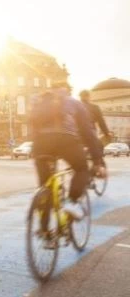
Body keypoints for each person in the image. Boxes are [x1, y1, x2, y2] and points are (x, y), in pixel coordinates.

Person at [29, 80, 104, 220]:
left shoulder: (39, 102)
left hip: (40, 144)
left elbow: (32, 125)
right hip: (66, 140)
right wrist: (97, 161)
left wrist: (36, 146)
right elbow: (88, 133)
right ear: (66, 90)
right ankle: (72, 202)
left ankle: (45, 231)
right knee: (82, 169)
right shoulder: (74, 102)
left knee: (45, 185)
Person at [79, 89, 111, 177]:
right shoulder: (94, 107)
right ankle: (97, 167)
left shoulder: (75, 105)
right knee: (98, 147)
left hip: (75, 134)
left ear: (80, 97)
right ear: (89, 97)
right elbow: (101, 122)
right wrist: (107, 133)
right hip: (89, 133)